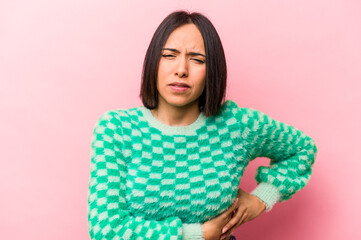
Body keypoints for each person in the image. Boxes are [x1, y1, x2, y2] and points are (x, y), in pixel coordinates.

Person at [87, 10, 318, 240]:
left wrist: (262, 198)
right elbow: (106, 229)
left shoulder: (235, 126)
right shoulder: (116, 129)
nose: (181, 70)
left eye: (197, 59)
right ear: (152, 63)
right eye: (169, 55)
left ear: (212, 70)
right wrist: (197, 234)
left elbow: (302, 149)